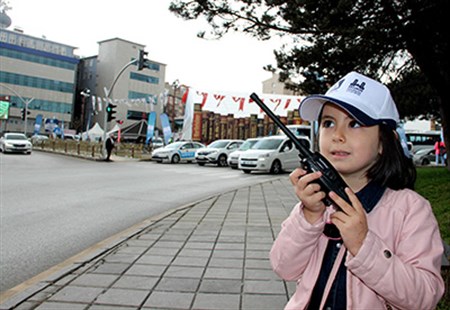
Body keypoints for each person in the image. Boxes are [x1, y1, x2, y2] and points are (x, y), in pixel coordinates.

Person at [270, 72, 444, 309]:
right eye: (328, 123)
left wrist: (364, 245)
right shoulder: (316, 203)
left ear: (384, 141)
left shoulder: (410, 210)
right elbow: (284, 267)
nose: (338, 136)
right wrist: (308, 218)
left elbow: (424, 297)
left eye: (355, 123)